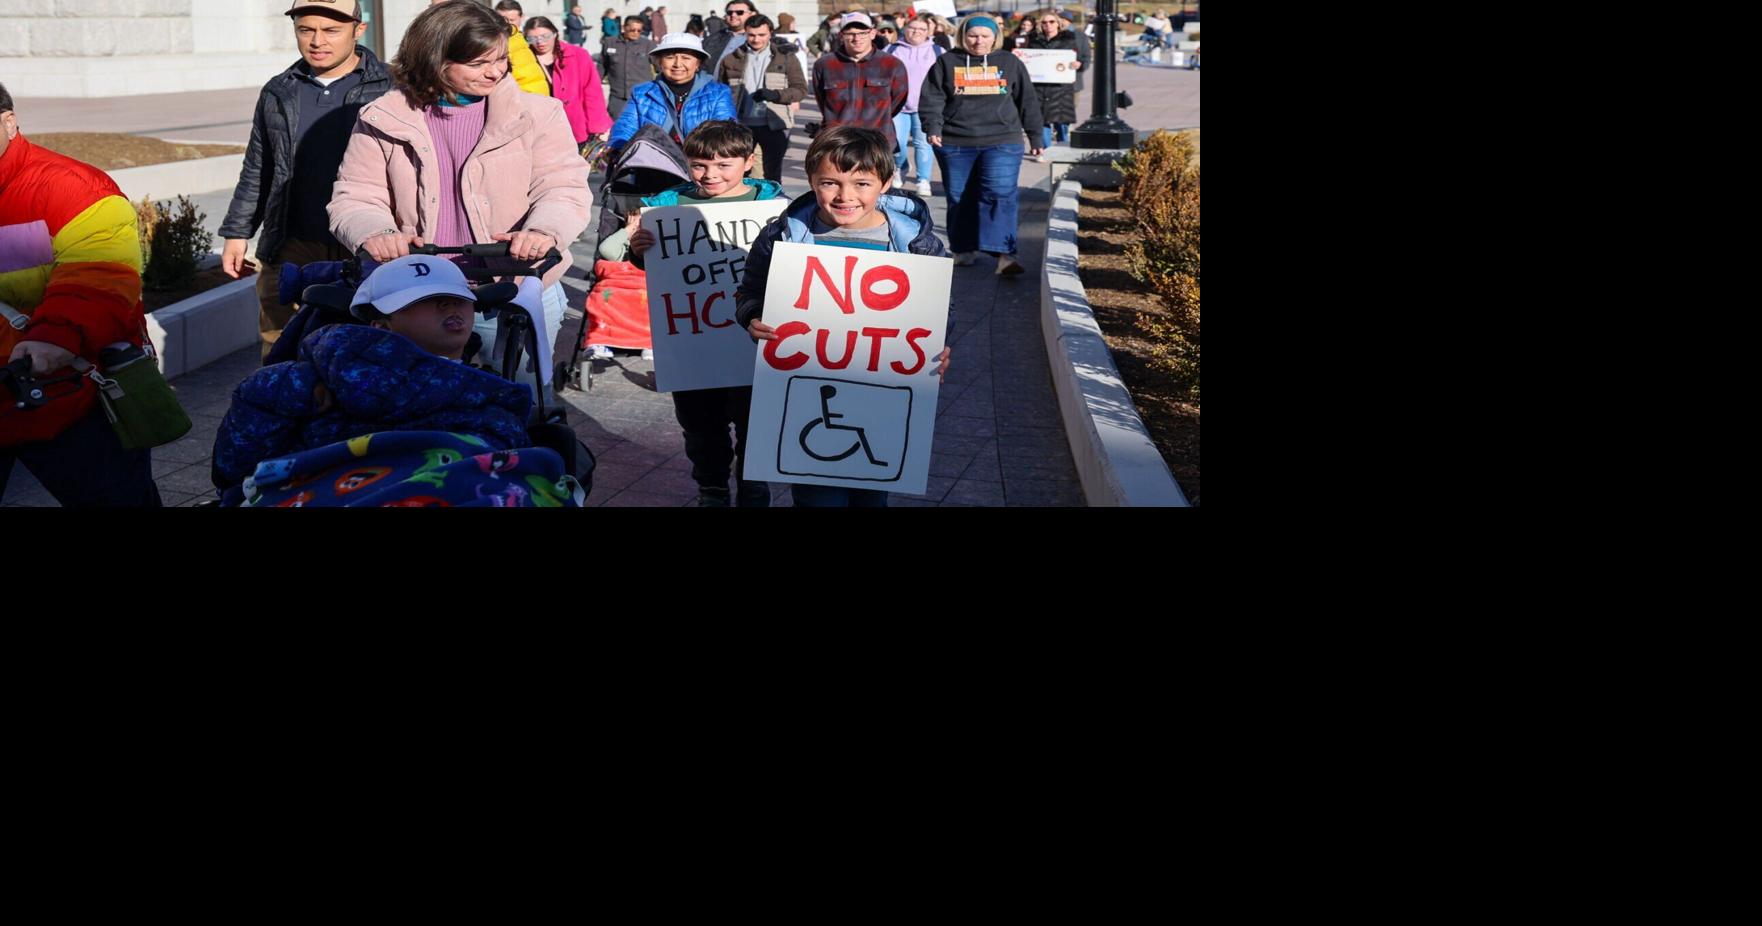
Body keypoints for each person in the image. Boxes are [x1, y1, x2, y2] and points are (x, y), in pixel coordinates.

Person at [328, 0, 591, 404]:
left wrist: (542, 232)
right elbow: (355, 194)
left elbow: (563, 187)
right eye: (478, 62)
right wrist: (375, 232)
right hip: (418, 294)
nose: (495, 71)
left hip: (513, 284)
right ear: (435, 59)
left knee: (523, 406)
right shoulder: (382, 117)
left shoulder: (539, 113)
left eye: (501, 59)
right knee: (420, 408)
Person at [734, 126, 951, 507]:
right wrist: (753, 317)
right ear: (812, 181)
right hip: (804, 394)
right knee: (817, 499)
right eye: (830, 183)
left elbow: (939, 307)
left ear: (885, 183)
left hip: (881, 394)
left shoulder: (916, 243)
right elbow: (749, 291)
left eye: (861, 183)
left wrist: (938, 344)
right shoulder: (782, 236)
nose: (845, 196)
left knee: (872, 494)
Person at [210, 254, 535, 502]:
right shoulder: (296, 383)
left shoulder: (490, 394)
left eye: (458, 296)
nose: (449, 304)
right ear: (381, 326)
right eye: (424, 300)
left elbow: (233, 470)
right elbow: (239, 471)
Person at [0, 82, 164, 506]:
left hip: (66, 390)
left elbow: (100, 276)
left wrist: (53, 337)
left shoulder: (73, 187)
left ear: (9, 122)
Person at [606, 121, 782, 507]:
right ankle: (712, 489)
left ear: (749, 162)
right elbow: (649, 265)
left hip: (753, 344)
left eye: (723, 165)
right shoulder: (667, 208)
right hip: (691, 344)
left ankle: (754, 488)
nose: (710, 174)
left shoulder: (774, 208)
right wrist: (639, 248)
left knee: (757, 422)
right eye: (700, 164)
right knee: (701, 426)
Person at [219, 0, 392, 360]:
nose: (317, 41)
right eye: (305, 29)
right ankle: (275, 412)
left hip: (365, 242)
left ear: (358, 30)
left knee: (363, 346)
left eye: (331, 30)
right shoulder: (278, 90)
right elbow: (259, 164)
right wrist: (238, 232)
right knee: (279, 343)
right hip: (292, 241)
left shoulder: (391, 86)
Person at [918, 15, 1042, 275]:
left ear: (995, 37)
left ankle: (1005, 254)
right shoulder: (947, 62)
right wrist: (933, 128)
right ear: (963, 35)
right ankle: (963, 249)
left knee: (1000, 193)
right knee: (959, 197)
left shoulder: (1009, 62)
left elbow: (1027, 100)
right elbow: (932, 99)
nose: (978, 41)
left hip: (1002, 140)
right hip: (955, 142)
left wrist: (1035, 136)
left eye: (985, 36)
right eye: (973, 35)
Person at [605, 32, 735, 151]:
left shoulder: (718, 93)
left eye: (686, 58)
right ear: (660, 62)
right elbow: (626, 127)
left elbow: (724, 132)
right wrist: (617, 148)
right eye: (670, 57)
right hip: (652, 167)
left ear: (698, 64)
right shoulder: (642, 93)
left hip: (698, 167)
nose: (678, 64)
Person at [716, 13, 805, 182]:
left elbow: (800, 89)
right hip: (741, 124)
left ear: (771, 33)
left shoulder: (786, 57)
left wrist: (777, 95)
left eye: (761, 35)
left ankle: (774, 204)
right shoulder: (731, 59)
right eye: (751, 35)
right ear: (745, 34)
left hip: (775, 123)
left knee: (772, 171)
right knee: (740, 171)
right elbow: (721, 92)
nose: (756, 39)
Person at [811, 13, 908, 151]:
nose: (857, 38)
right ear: (841, 35)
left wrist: (878, 117)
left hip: (877, 140)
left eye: (863, 33)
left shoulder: (892, 64)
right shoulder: (824, 65)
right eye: (850, 33)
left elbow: (898, 100)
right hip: (838, 141)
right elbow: (822, 101)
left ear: (873, 33)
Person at [524, 15, 613, 148]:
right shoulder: (524, 60)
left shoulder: (578, 55)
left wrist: (598, 126)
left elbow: (592, 93)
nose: (540, 42)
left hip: (575, 126)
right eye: (533, 38)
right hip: (541, 130)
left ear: (555, 34)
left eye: (545, 36)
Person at [884, 15, 941, 196]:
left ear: (928, 32)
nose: (916, 32)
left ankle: (923, 180)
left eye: (921, 29)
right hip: (897, 106)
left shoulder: (938, 51)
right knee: (897, 143)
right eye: (912, 28)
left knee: (923, 144)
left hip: (926, 107)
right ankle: (900, 167)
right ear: (905, 29)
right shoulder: (892, 49)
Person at [1026, 9, 1088, 149]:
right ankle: (1045, 150)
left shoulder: (1069, 39)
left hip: (1061, 88)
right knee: (1042, 121)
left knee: (1061, 123)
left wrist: (1078, 64)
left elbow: (1080, 58)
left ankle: (1063, 147)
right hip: (1040, 88)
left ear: (1058, 23)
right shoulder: (1034, 40)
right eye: (1044, 22)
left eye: (1051, 22)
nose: (1048, 25)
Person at [487, 0, 552, 94]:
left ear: (521, 17)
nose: (507, 24)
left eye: (512, 20)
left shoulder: (527, 37)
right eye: (501, 19)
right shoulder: (496, 41)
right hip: (523, 98)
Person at [603, 15, 657, 121]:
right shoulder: (610, 42)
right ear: (624, 27)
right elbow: (602, 65)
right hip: (618, 97)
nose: (636, 33)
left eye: (639, 30)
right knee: (617, 127)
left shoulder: (648, 45)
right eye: (633, 30)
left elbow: (660, 66)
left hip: (642, 96)